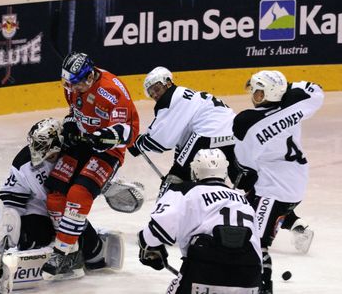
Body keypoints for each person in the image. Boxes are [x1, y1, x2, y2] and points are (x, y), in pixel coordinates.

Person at [0, 118, 123, 293]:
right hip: (37, 208)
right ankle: (0, 270)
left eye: (46, 149)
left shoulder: (76, 153)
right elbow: (10, 196)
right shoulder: (24, 162)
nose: (39, 154)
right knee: (32, 241)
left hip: (67, 211)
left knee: (95, 258)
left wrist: (108, 185)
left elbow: (93, 178)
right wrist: (9, 223)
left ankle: (89, 245)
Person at [42, 52, 139, 278]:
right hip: (83, 144)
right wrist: (70, 126)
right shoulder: (72, 86)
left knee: (78, 193)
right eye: (67, 83)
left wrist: (104, 136)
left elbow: (130, 132)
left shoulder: (113, 92)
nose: (70, 88)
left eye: (75, 83)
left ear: (88, 77)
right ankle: (74, 254)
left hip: (108, 150)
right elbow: (74, 113)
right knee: (55, 193)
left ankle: (61, 252)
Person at [233, 70, 324, 294]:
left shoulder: (248, 121)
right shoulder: (296, 105)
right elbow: (316, 91)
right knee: (247, 205)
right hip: (295, 180)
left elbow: (245, 164)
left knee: (256, 240)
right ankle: (297, 226)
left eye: (259, 91)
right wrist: (283, 89)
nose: (253, 94)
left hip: (274, 188)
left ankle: (263, 287)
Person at [138, 148, 262, 294]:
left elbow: (154, 233)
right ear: (225, 171)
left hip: (203, 273)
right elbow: (256, 246)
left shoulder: (184, 190)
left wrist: (148, 246)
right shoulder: (243, 201)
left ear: (195, 170)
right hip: (250, 278)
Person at [128, 66, 241, 194]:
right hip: (234, 136)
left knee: (175, 181)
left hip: (208, 135)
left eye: (156, 89)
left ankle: (168, 206)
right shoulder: (187, 96)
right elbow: (182, 140)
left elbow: (161, 141)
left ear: (168, 82)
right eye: (151, 93)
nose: (155, 95)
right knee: (239, 177)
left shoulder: (171, 99)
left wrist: (137, 143)